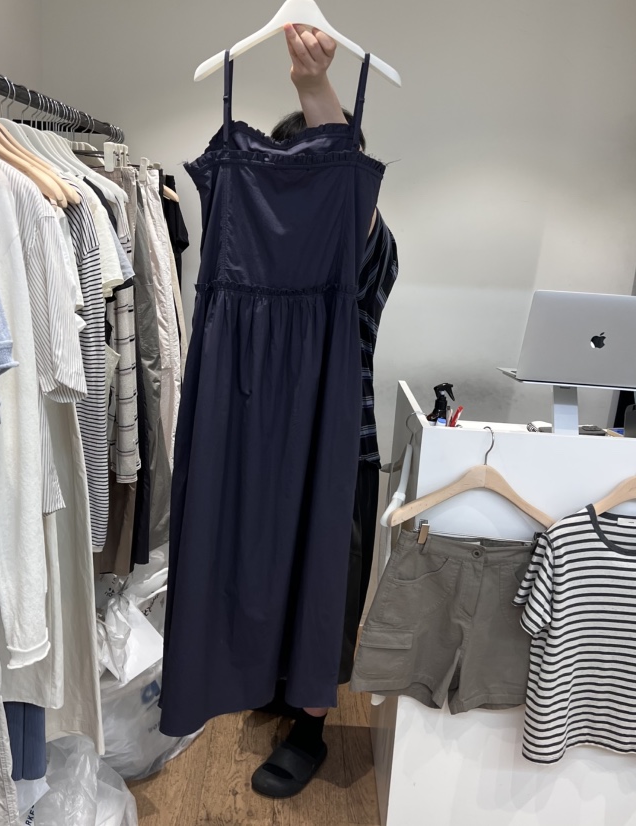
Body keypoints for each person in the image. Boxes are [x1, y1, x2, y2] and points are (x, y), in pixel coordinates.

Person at [250, 23, 399, 799]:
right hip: (268, 448)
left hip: (341, 450)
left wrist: (314, 90)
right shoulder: (266, 259)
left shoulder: (370, 249)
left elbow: (350, 204)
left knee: (326, 591)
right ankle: (279, 687)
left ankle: (310, 727)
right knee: (269, 575)